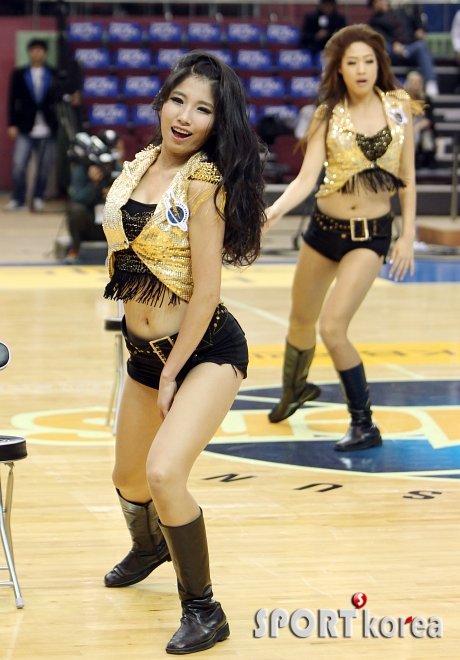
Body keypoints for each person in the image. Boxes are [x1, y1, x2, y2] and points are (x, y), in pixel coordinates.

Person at [101, 51, 266, 654]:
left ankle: (204, 610)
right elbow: (125, 254)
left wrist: (172, 372)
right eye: (178, 101)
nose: (185, 117)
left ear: (217, 124)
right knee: (127, 479)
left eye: (203, 110)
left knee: (165, 472)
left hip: (205, 352)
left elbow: (207, 293)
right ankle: (149, 547)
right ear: (162, 101)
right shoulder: (139, 164)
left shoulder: (203, 182)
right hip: (143, 352)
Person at [265, 24, 423, 451]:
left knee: (333, 327)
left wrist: (407, 235)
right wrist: (274, 211)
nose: (361, 69)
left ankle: (364, 424)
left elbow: (407, 177)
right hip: (324, 230)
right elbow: (305, 179)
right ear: (339, 69)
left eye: (368, 61)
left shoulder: (399, 107)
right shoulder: (327, 114)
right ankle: (295, 390)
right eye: (352, 62)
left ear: (379, 65)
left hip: (370, 236)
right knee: (300, 319)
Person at [5, 37, 58, 213]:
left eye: (40, 50)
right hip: (25, 126)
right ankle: (18, 199)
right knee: (19, 165)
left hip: (48, 127)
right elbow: (12, 100)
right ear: (29, 52)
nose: (37, 53)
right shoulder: (19, 74)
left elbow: (58, 99)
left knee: (45, 167)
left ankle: (38, 197)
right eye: (34, 50)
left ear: (45, 53)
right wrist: (12, 123)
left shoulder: (53, 73)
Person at [64, 131, 124, 264]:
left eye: (108, 164)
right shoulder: (82, 170)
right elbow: (76, 199)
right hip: (90, 223)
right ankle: (75, 250)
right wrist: (93, 185)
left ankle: (124, 255)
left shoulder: (120, 170)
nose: (105, 167)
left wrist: (116, 195)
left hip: (112, 226)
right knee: (76, 210)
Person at [368, 0, 439, 98]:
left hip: (410, 47)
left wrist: (420, 29)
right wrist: (393, 44)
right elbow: (380, 37)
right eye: (376, 2)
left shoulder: (400, 12)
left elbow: (414, 24)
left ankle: (431, 82)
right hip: (392, 52)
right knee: (384, 47)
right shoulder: (375, 21)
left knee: (421, 46)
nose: (380, 3)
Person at [404, 70, 437, 168]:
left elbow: (430, 120)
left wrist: (418, 126)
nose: (415, 85)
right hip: (407, 127)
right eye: (413, 82)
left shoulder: (426, 99)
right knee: (413, 133)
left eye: (417, 82)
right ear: (408, 84)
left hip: (421, 127)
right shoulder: (403, 99)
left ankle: (429, 161)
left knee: (426, 135)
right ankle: (413, 160)